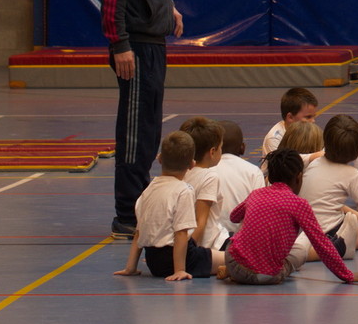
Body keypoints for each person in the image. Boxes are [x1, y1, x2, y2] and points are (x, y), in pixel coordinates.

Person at [103, 0, 187, 238]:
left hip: (154, 42)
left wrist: (167, 7)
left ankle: (139, 206)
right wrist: (120, 44)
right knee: (135, 131)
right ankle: (126, 215)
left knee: (151, 129)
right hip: (133, 46)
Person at [218, 149, 358, 286]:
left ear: (269, 177)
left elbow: (234, 217)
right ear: (299, 177)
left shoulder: (257, 193)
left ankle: (233, 272)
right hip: (265, 276)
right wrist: (346, 275)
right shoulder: (298, 204)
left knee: (244, 223)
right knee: (302, 246)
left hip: (233, 262)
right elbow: (321, 243)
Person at [113, 130, 222, 281]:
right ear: (192, 164)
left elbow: (139, 231)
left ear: (159, 159)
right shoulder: (183, 190)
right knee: (229, 258)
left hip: (153, 260)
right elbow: (181, 233)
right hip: (180, 258)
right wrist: (180, 270)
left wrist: (130, 267)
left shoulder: (149, 189)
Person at [292, 114, 358, 267]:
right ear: (357, 151)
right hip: (330, 234)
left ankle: (303, 252)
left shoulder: (314, 162)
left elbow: (327, 203)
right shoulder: (351, 174)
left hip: (303, 231)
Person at [177, 117, 228, 248]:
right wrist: (187, 252)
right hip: (207, 244)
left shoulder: (178, 172)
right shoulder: (209, 177)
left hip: (182, 242)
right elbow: (201, 222)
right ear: (212, 152)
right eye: (220, 147)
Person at [214, 119, 266, 214]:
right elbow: (259, 209)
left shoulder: (204, 170)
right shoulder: (253, 172)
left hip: (209, 228)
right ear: (243, 148)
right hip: (242, 227)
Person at [260, 88, 320, 162]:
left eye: (314, 116)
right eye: (308, 117)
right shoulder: (274, 139)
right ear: (290, 117)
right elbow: (284, 166)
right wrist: (315, 156)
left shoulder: (311, 132)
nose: (313, 121)